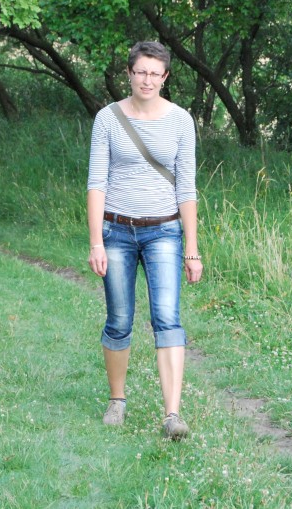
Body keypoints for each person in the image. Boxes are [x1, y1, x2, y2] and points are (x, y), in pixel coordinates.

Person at [86, 41, 203, 440]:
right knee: (119, 319)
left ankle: (172, 415)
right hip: (116, 230)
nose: (147, 80)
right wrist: (96, 242)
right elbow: (96, 182)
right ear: (129, 73)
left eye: (155, 73)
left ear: (165, 77)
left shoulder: (181, 121)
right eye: (141, 72)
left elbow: (186, 186)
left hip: (164, 231)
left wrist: (192, 249)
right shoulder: (107, 118)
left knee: (167, 318)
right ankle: (117, 400)